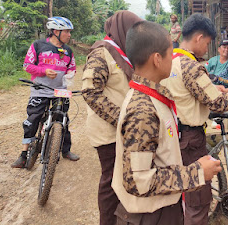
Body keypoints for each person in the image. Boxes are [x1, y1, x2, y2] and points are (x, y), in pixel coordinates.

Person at [111, 20, 222, 225]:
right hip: (149, 216)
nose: (174, 60)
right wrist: (196, 172)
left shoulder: (152, 97)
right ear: (157, 59)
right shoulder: (143, 110)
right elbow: (138, 181)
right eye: (171, 54)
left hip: (161, 209)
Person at [160, 14, 228, 225]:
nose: (207, 49)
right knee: (198, 199)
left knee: (179, 193)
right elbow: (219, 104)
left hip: (172, 133)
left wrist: (211, 86)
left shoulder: (169, 59)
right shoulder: (191, 66)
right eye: (208, 43)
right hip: (191, 140)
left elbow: (188, 89)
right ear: (199, 38)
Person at [81, 11, 142, 225]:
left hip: (124, 131)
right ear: (121, 29)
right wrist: (122, 119)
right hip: (109, 133)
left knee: (124, 181)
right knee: (110, 183)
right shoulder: (102, 53)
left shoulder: (123, 53)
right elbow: (90, 91)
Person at [11, 16, 79, 168]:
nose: (69, 35)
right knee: (32, 120)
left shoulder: (68, 51)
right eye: (67, 31)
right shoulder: (38, 45)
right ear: (56, 31)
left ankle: (65, 150)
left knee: (63, 120)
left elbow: (72, 67)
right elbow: (27, 65)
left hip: (60, 91)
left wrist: (70, 74)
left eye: (69, 32)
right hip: (40, 90)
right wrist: (43, 71)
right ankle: (23, 155)